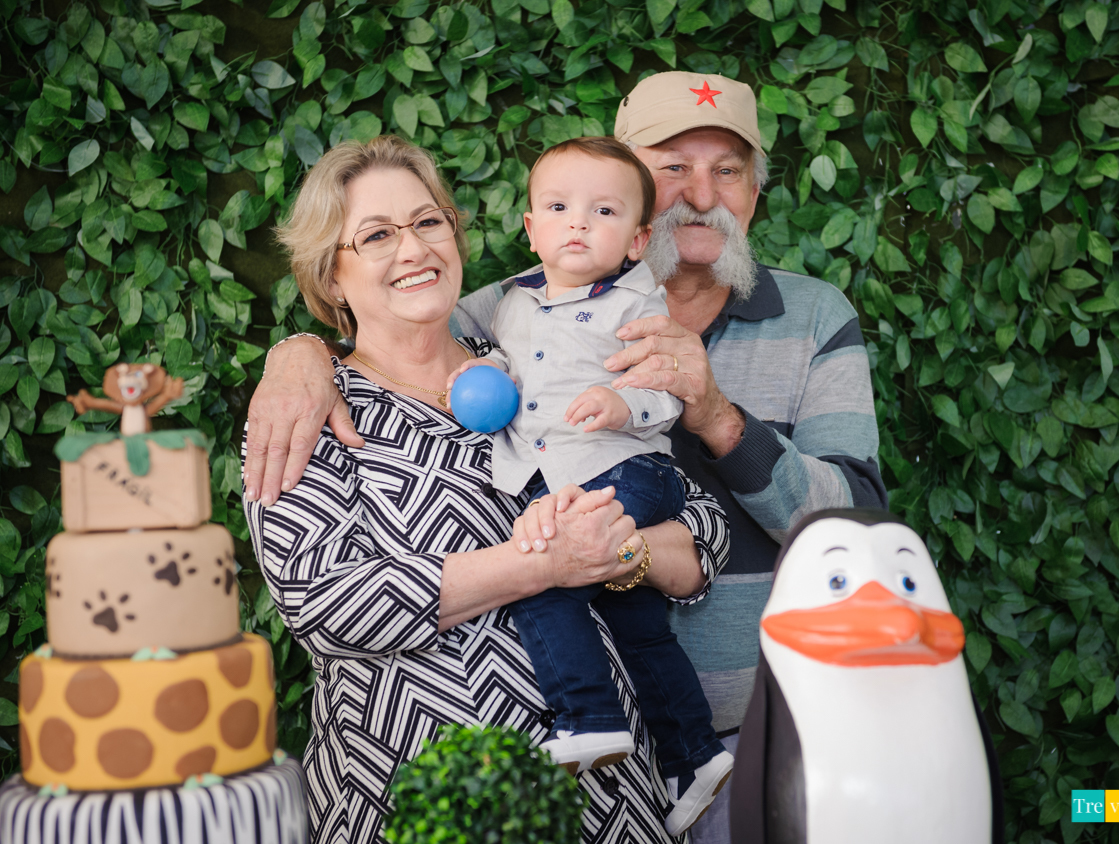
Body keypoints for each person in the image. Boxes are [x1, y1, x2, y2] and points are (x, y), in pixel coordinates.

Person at [243, 71, 886, 844]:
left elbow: (747, 524)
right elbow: (324, 601)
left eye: (728, 169)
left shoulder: (520, 341)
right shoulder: (498, 332)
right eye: (672, 166)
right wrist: (299, 354)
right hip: (417, 791)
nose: (702, 193)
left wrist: (696, 435)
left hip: (663, 777)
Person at [243, 134, 731, 844]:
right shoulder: (308, 409)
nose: (412, 250)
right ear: (331, 277)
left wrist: (622, 551)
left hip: (609, 806)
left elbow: (702, 523)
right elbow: (322, 601)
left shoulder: (526, 361)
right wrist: (546, 564)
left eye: (427, 222)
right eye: (377, 235)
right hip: (423, 796)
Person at [448, 136, 733, 835]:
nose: (577, 223)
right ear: (530, 228)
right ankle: (694, 755)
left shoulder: (636, 304)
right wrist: (477, 374)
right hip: (558, 472)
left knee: (545, 579)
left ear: (637, 241)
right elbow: (419, 322)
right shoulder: (508, 303)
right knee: (635, 621)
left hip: (627, 468)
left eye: (601, 211)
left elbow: (672, 394)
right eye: (558, 207)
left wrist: (623, 405)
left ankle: (589, 720)